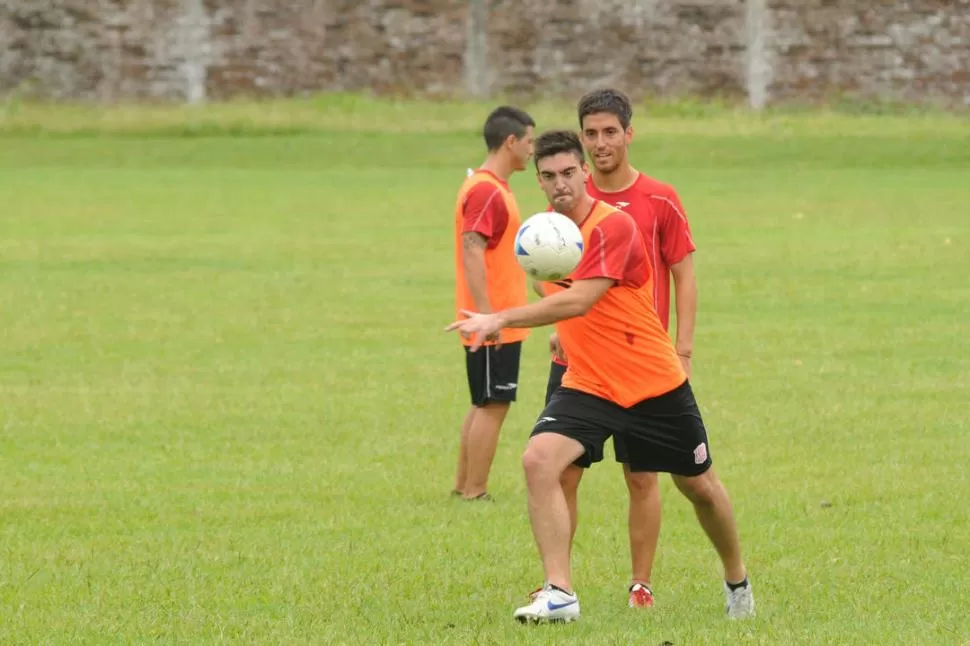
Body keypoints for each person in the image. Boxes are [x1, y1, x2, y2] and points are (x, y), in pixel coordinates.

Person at [446, 129, 754, 623]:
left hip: (652, 382)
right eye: (548, 176)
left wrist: (501, 318)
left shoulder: (614, 226)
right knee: (539, 460)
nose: (560, 183)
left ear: (585, 172)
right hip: (588, 381)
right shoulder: (542, 236)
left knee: (699, 488)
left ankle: (737, 578)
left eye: (569, 172)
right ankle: (559, 591)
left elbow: (582, 297)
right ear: (539, 181)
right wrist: (564, 335)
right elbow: (571, 305)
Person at [539, 87, 699, 607]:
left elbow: (683, 272)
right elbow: (549, 270)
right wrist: (556, 322)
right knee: (560, 469)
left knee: (642, 476)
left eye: (610, 132)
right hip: (578, 364)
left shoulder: (659, 198)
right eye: (592, 134)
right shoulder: (561, 205)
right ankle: (558, 582)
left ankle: (641, 584)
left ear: (629, 134)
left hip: (640, 363)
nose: (602, 142)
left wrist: (684, 349)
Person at [451, 106, 536, 501]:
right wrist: (488, 316)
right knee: (493, 404)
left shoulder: (491, 187)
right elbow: (473, 249)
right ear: (511, 142)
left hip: (496, 316)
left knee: (484, 401)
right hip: (492, 318)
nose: (533, 150)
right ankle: (475, 491)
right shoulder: (486, 190)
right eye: (531, 142)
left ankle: (464, 485)